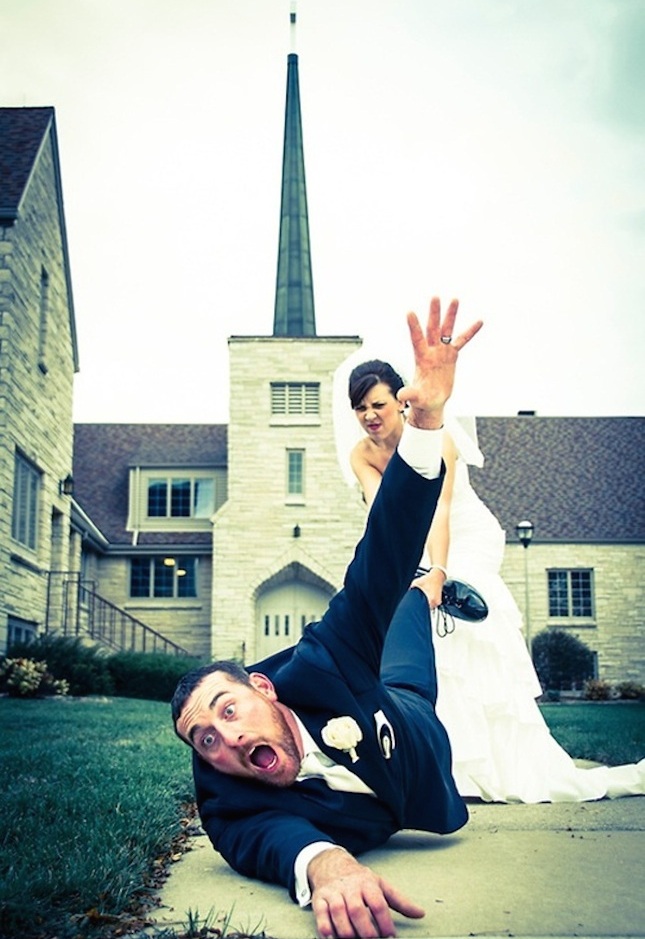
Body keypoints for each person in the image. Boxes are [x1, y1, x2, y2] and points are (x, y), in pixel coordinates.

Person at [172, 297, 483, 939]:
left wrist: (423, 421)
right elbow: (268, 836)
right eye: (205, 738)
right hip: (405, 762)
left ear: (264, 687)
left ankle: (426, 597)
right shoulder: (228, 796)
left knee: (401, 598)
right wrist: (326, 863)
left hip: (400, 705)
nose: (224, 740)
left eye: (227, 711)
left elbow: (380, 554)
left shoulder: (317, 664)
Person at [343, 357, 645, 804]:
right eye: (360, 407)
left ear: (401, 401)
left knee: (461, 630)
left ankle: (491, 760)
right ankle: (445, 758)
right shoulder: (362, 454)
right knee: (418, 631)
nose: (369, 415)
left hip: (465, 534)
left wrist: (440, 574)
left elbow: (440, 510)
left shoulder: (436, 438)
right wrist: (398, 571)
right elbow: (382, 515)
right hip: (413, 536)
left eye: (378, 404)